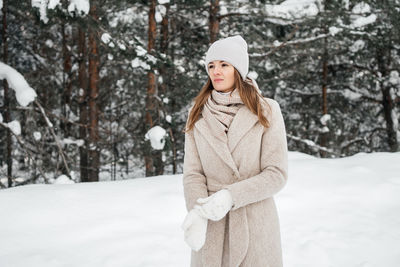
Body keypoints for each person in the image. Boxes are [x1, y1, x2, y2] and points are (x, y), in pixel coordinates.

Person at [181, 35, 288, 267]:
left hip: (255, 224)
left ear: (238, 69)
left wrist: (231, 196)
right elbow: (193, 173)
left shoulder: (267, 110)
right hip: (212, 227)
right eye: (211, 65)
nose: (216, 71)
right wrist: (198, 212)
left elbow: (276, 173)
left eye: (224, 65)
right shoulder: (196, 113)